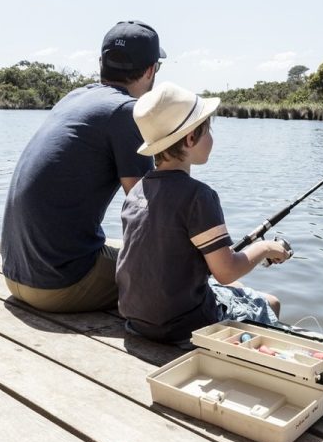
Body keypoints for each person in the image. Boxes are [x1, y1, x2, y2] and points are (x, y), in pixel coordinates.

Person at [1, 20, 166, 313]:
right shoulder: (127, 113)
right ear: (151, 70)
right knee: (169, 278)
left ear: (101, 62)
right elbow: (146, 214)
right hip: (58, 285)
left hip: (14, 275)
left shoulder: (74, 97)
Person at [116, 81, 291, 347]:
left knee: (236, 291)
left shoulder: (137, 191)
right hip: (184, 327)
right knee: (271, 303)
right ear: (190, 139)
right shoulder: (199, 196)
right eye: (208, 130)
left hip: (137, 321)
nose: (212, 138)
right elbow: (226, 272)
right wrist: (266, 247)